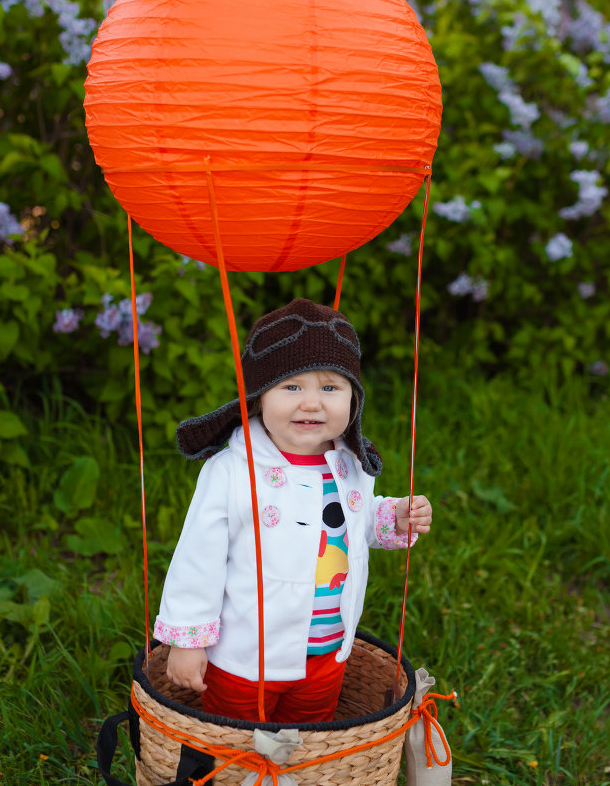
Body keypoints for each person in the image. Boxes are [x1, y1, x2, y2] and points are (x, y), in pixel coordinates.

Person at [154, 298, 433, 724]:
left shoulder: (350, 463)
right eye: (292, 387)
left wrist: (391, 517)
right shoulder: (232, 470)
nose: (311, 403)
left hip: (327, 652)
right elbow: (198, 557)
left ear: (353, 399)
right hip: (248, 658)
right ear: (258, 396)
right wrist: (188, 639)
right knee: (238, 742)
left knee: (311, 738)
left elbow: (354, 523)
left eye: (330, 388)